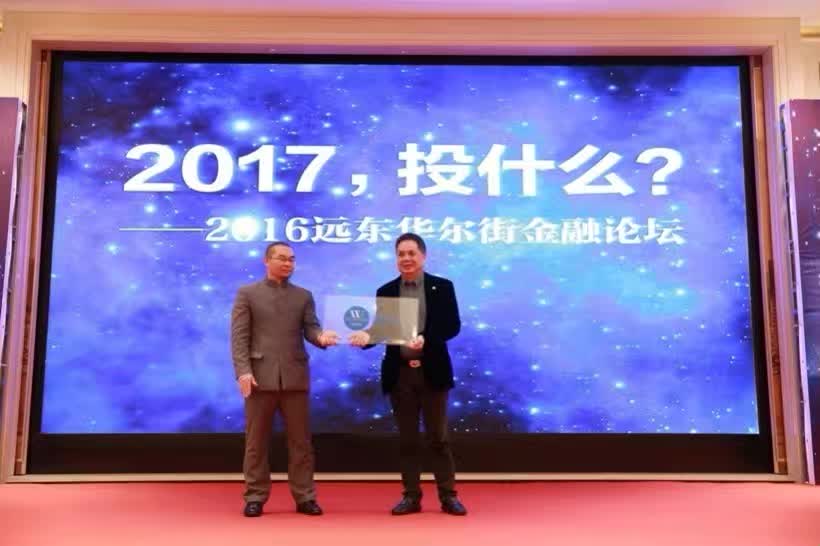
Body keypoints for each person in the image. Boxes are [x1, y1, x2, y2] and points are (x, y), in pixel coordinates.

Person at [350, 233, 467, 516]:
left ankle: (448, 496)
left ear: (423, 256)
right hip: (400, 375)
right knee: (407, 440)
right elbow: (383, 329)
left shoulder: (442, 287)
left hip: (433, 372)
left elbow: (452, 325)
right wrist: (365, 337)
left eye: (411, 253)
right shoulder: (387, 290)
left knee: (438, 438)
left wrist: (427, 339)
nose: (406, 258)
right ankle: (411, 496)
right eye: (401, 254)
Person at [231, 241, 338, 517]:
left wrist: (321, 338)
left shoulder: (303, 296)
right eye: (282, 258)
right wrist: (243, 371)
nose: (288, 263)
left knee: (301, 443)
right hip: (258, 379)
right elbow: (239, 337)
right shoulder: (247, 294)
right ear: (266, 261)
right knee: (256, 443)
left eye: (291, 259)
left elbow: (311, 329)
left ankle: (305, 497)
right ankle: (255, 496)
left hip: (295, 378)